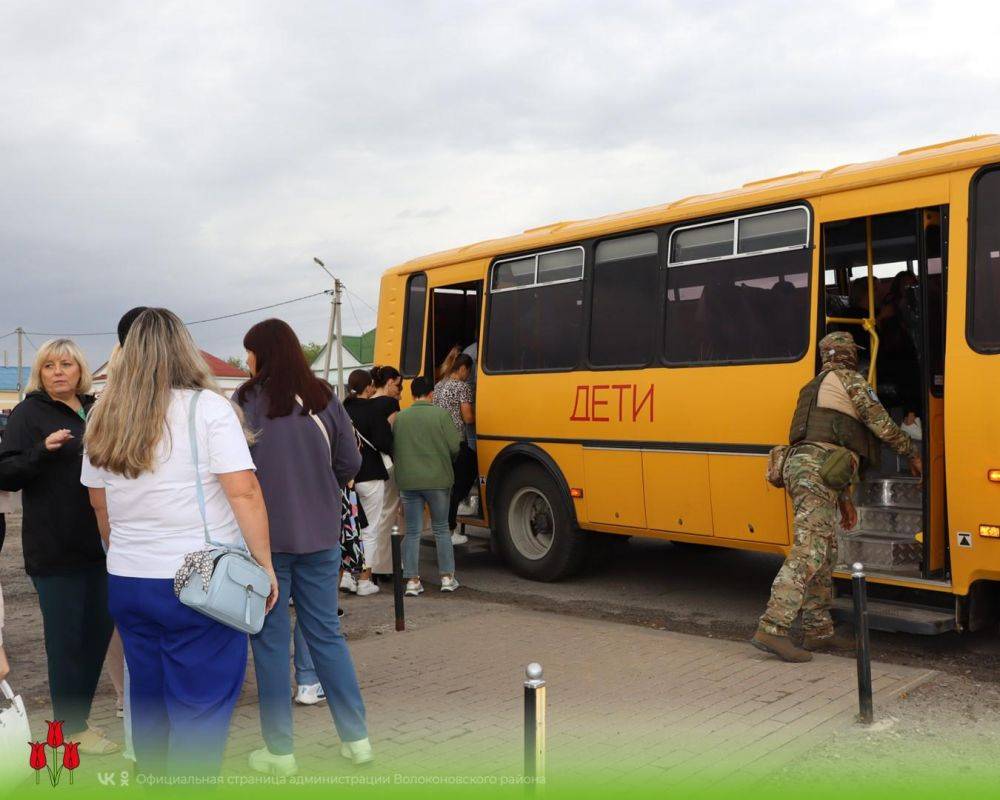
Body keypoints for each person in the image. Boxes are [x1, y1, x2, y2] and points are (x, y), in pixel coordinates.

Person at [83, 308, 277, 776]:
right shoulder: (207, 408)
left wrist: (125, 553)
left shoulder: (105, 413)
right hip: (199, 582)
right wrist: (264, 565)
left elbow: (99, 505)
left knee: (148, 698)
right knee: (202, 708)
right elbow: (244, 490)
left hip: (130, 580)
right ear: (183, 348)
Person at [234, 318, 371, 776]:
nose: (247, 360)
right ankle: (357, 741)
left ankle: (280, 752)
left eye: (249, 352)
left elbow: (234, 472)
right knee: (326, 636)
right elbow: (350, 461)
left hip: (264, 545)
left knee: (269, 643)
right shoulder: (322, 397)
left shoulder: (247, 401)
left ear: (262, 354)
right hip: (321, 536)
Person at [752, 332, 922, 663]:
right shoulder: (849, 380)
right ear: (848, 355)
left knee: (826, 551)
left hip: (809, 467)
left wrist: (844, 500)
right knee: (809, 550)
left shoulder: (813, 386)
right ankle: (772, 628)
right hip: (816, 469)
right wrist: (910, 451)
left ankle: (818, 632)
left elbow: (833, 443)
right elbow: (880, 423)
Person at [0, 338, 118, 755]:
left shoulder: (99, 408)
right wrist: (41, 452)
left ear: (80, 369)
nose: (58, 372)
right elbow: (6, 473)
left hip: (106, 545)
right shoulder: (28, 413)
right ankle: (70, 730)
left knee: (97, 637)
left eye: (66, 364)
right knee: (66, 644)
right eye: (49, 366)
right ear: (40, 373)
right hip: (55, 548)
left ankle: (78, 721)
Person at [393, 376, 461, 595]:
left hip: (409, 481)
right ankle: (447, 578)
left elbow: (395, 447)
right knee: (441, 528)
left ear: (413, 394)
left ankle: (412, 581)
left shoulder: (401, 418)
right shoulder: (441, 415)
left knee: (412, 531)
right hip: (438, 479)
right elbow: (454, 446)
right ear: (431, 394)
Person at [342, 369, 393, 596]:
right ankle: (364, 580)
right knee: (370, 529)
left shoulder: (342, 410)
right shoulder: (374, 410)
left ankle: (345, 576)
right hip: (371, 474)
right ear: (368, 387)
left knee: (349, 528)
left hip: (347, 477)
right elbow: (384, 441)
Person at [433, 353, 478, 543]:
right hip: (456, 443)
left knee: (446, 488)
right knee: (464, 479)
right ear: (463, 369)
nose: (468, 375)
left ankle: (445, 529)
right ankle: (451, 529)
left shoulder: (438, 385)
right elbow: (468, 417)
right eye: (469, 371)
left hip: (439, 443)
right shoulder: (462, 387)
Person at [367, 366, 403, 576]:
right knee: (388, 513)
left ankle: (369, 565)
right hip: (387, 464)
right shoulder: (391, 404)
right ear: (389, 382)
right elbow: (392, 435)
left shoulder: (366, 403)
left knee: (373, 517)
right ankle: (383, 566)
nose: (399, 390)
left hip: (367, 467)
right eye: (398, 385)